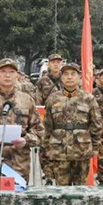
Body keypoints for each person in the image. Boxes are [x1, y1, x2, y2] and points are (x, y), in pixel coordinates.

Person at [42, 63, 101, 185]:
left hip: (82, 150)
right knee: (62, 190)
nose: (69, 77)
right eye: (66, 74)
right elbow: (47, 126)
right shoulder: (53, 99)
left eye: (73, 74)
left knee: (81, 189)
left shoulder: (88, 98)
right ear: (61, 77)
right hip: (59, 150)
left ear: (79, 77)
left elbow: (96, 124)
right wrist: (46, 148)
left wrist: (95, 147)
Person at [36, 53, 64, 184]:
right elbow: (38, 101)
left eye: (58, 62)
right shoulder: (43, 81)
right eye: (53, 62)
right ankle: (48, 174)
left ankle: (59, 173)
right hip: (46, 119)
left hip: (64, 120)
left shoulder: (66, 79)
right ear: (49, 64)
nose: (56, 64)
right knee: (45, 147)